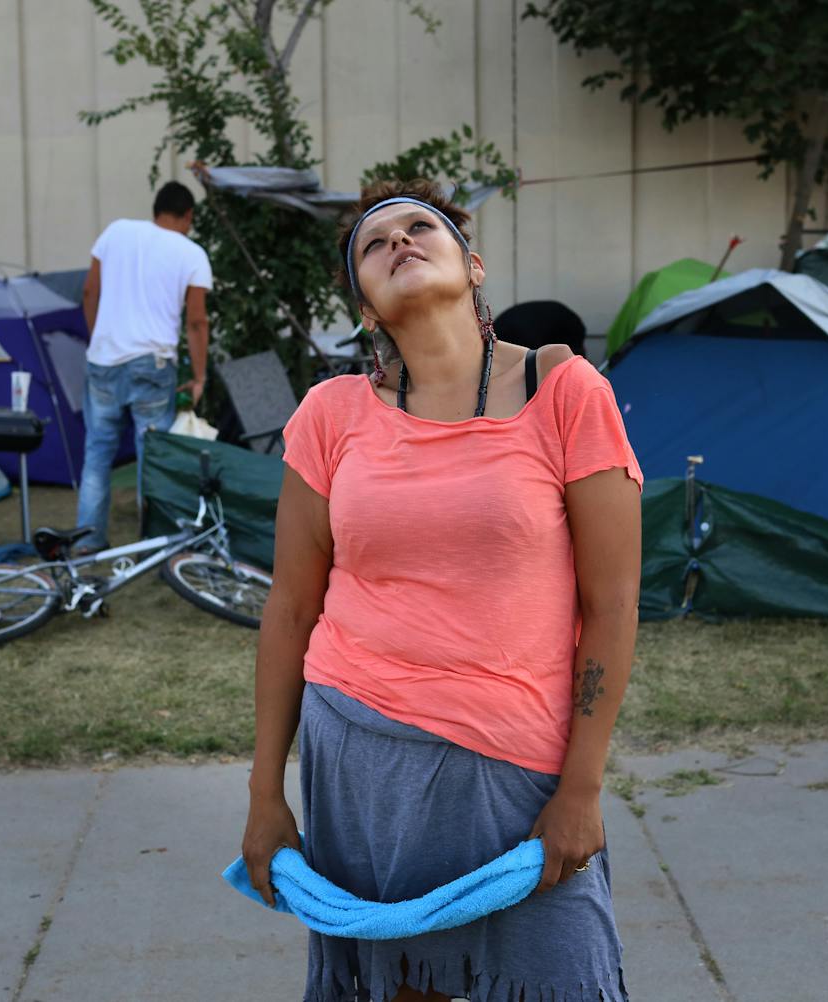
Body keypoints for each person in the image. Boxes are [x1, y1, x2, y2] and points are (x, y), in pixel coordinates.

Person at [241, 178, 643, 1002]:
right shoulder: (330, 414)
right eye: (372, 244)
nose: (399, 241)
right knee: (403, 987)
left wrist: (582, 787)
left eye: (421, 226)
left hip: (514, 764)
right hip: (356, 753)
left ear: (475, 264)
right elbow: (289, 609)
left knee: (561, 975)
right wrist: (264, 797)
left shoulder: (565, 394)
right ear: (364, 308)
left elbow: (613, 605)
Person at [76, 180, 211, 549]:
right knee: (151, 460)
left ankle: (88, 541)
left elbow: (90, 292)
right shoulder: (191, 252)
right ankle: (151, 547)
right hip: (152, 366)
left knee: (96, 455)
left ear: (155, 209)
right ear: (188, 216)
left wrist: (98, 338)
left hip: (103, 360)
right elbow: (196, 321)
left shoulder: (116, 231)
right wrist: (199, 376)